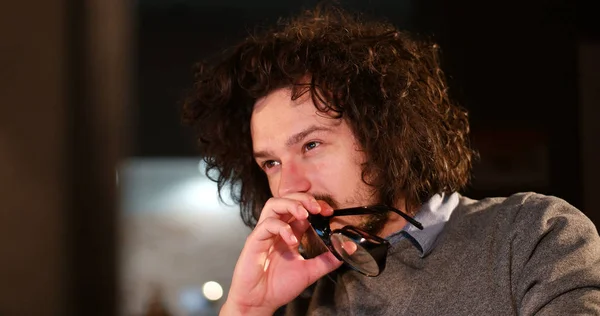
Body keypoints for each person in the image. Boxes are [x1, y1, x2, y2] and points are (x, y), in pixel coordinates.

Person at [182, 5, 600, 315]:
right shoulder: (305, 295)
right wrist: (247, 308)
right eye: (270, 163)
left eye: (311, 145)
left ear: (385, 134)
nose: (289, 185)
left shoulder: (531, 236)